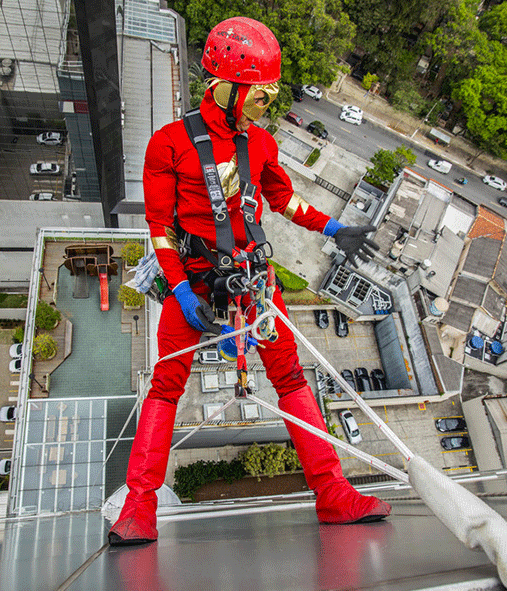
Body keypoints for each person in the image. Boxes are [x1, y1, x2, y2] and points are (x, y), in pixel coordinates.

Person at [109, 16, 390, 546]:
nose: (269, 102)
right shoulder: (169, 144)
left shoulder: (259, 143)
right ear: (225, 87)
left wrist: (332, 227)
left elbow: (283, 199)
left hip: (252, 279)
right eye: (261, 93)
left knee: (290, 378)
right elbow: (161, 227)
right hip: (191, 280)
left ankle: (331, 492)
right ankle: (138, 507)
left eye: (271, 93)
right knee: (166, 386)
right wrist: (181, 288)